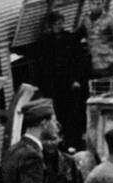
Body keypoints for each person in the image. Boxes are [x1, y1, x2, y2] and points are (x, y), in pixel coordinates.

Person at [33, 10, 90, 149]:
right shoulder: (44, 41)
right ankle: (64, 143)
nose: (58, 26)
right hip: (54, 85)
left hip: (70, 83)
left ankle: (74, 141)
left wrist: (76, 79)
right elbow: (42, 65)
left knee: (73, 112)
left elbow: (78, 60)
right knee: (59, 114)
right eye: (55, 23)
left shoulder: (69, 38)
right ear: (50, 25)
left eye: (60, 23)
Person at [83, 0, 113, 93]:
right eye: (93, 4)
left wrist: (109, 53)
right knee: (95, 95)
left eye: (99, 3)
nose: (96, 6)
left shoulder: (110, 19)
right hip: (93, 65)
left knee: (108, 94)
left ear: (103, 4)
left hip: (107, 64)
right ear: (89, 5)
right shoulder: (86, 19)